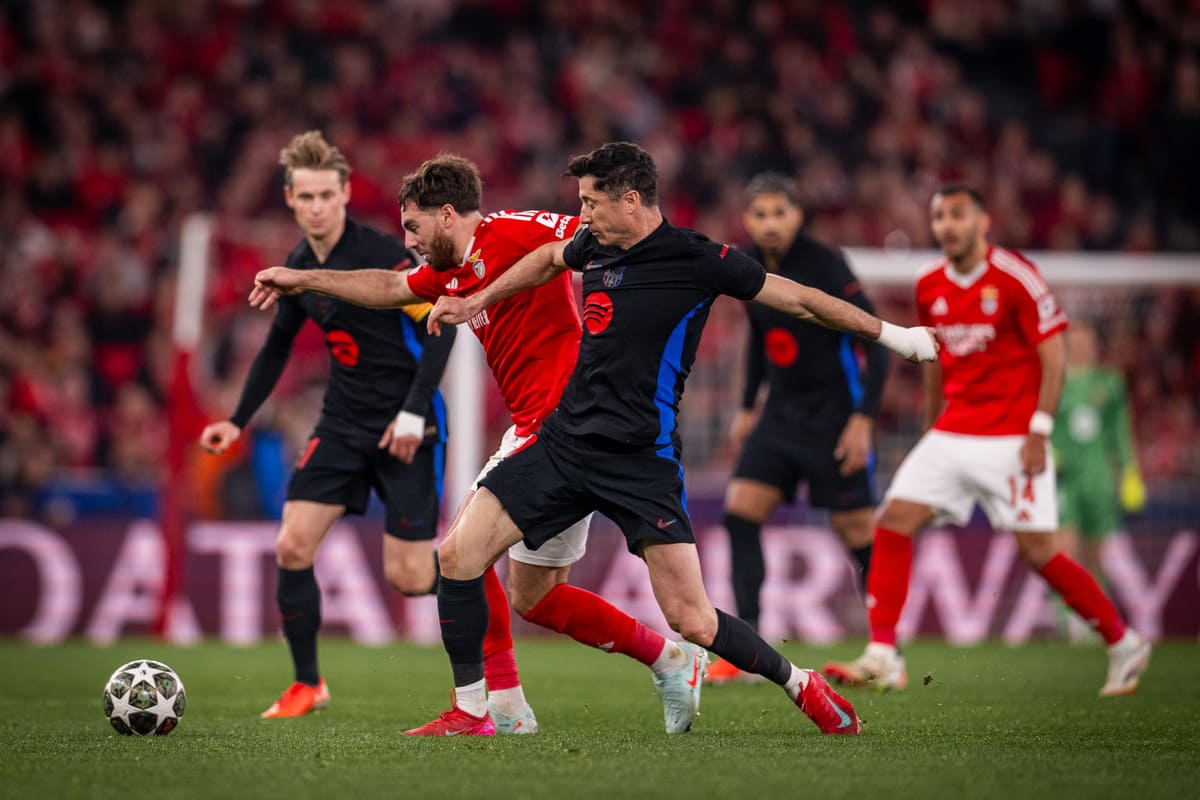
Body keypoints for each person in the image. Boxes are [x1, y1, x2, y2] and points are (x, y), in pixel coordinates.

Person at [419, 141, 941, 737]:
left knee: (693, 619)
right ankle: (474, 712)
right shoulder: (595, 243)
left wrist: (894, 336)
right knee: (457, 558)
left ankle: (802, 683)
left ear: (632, 200)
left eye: (591, 202)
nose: (582, 215)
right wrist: (479, 299)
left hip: (642, 461)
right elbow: (546, 260)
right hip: (563, 445)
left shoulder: (700, 258)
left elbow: (799, 300)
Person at [249, 153, 710, 736]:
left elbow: (599, 235)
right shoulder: (448, 266)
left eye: (413, 226)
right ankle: (668, 659)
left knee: (458, 556)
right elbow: (390, 287)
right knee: (535, 596)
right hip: (537, 428)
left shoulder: (514, 230)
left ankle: (487, 709)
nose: (409, 241)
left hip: (563, 428)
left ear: (446, 214)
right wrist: (303, 278)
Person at [823, 184, 1151, 697]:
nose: (947, 225)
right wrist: (932, 428)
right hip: (955, 429)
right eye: (939, 217)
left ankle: (1123, 641)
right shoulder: (929, 283)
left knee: (1040, 552)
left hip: (1012, 437)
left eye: (957, 215)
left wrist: (1040, 430)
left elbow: (1054, 355)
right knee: (892, 521)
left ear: (983, 221)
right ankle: (883, 653)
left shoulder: (1015, 277)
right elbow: (933, 356)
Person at [199, 131, 465, 719]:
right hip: (343, 420)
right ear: (291, 201)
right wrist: (236, 420)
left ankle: (480, 662)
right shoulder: (296, 265)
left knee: (412, 576)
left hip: (408, 421)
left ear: (345, 193)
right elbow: (275, 349)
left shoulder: (385, 254)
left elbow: (440, 330)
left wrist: (414, 410)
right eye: (306, 196)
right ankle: (306, 683)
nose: (317, 205)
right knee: (292, 543)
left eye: (327, 194)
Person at [708, 172, 889, 686]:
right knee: (741, 513)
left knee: (857, 533)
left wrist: (863, 420)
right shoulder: (744, 262)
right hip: (780, 418)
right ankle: (747, 648)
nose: (769, 224)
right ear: (747, 219)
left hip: (835, 418)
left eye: (778, 213)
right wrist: (747, 406)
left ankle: (885, 648)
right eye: (759, 215)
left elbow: (872, 340)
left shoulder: (824, 263)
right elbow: (761, 339)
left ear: (797, 216)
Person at [1053, 318, 1145, 638]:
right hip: (1065, 480)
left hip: (1100, 480)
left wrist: (1131, 472)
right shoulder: (1055, 380)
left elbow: (1121, 431)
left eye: (1086, 341)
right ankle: (1067, 622)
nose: (1080, 346)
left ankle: (1092, 621)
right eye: (1075, 341)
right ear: (1066, 345)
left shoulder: (1110, 383)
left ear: (1094, 345)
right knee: (1063, 554)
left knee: (1094, 558)